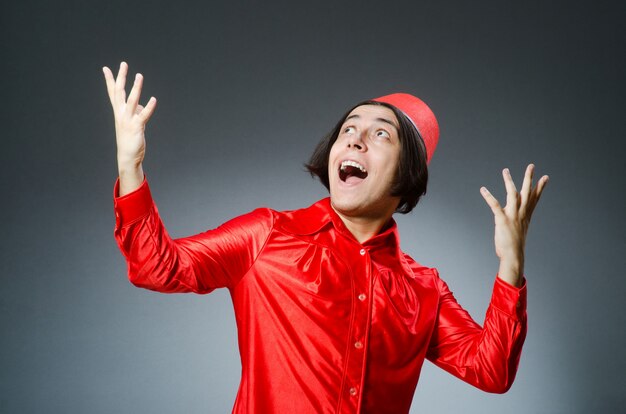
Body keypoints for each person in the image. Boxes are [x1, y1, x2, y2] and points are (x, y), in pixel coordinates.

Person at [103, 62, 548, 413]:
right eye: (348, 129)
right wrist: (130, 166)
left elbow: (490, 371)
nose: (354, 140)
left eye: (380, 135)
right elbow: (155, 266)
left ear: (407, 173)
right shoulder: (267, 235)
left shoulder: (424, 290)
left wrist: (511, 266)